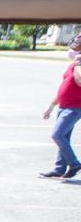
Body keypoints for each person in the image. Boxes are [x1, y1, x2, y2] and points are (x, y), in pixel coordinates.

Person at [39, 33, 81, 179]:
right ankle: (59, 169)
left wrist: (79, 64)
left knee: (57, 135)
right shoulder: (74, 63)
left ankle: (75, 164)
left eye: (78, 40)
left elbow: (80, 80)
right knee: (64, 138)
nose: (75, 42)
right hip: (63, 106)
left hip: (74, 108)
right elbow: (65, 87)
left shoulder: (78, 64)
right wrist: (51, 106)